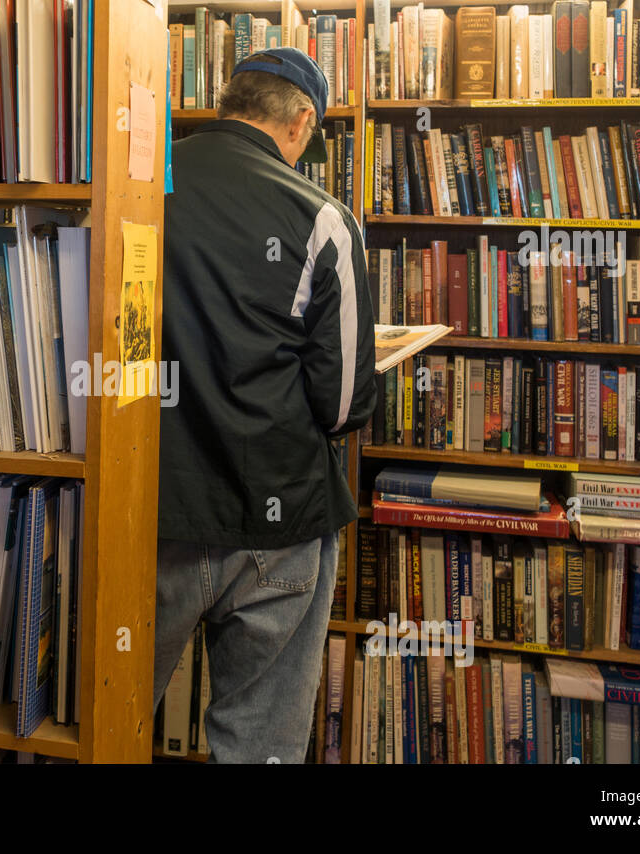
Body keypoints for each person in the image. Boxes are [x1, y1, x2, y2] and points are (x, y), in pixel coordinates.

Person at [154, 47, 376, 763]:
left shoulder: (135, 189)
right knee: (259, 743)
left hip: (152, 510)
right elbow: (342, 405)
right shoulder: (323, 217)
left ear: (227, 101)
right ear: (302, 119)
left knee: (106, 714)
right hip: (276, 514)